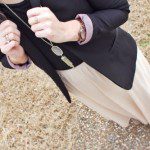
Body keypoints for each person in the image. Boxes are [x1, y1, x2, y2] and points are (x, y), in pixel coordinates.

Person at [0, 0, 150, 128]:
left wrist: (69, 30)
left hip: (115, 59)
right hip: (71, 79)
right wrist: (16, 57)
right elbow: (3, 57)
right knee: (120, 108)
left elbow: (119, 8)